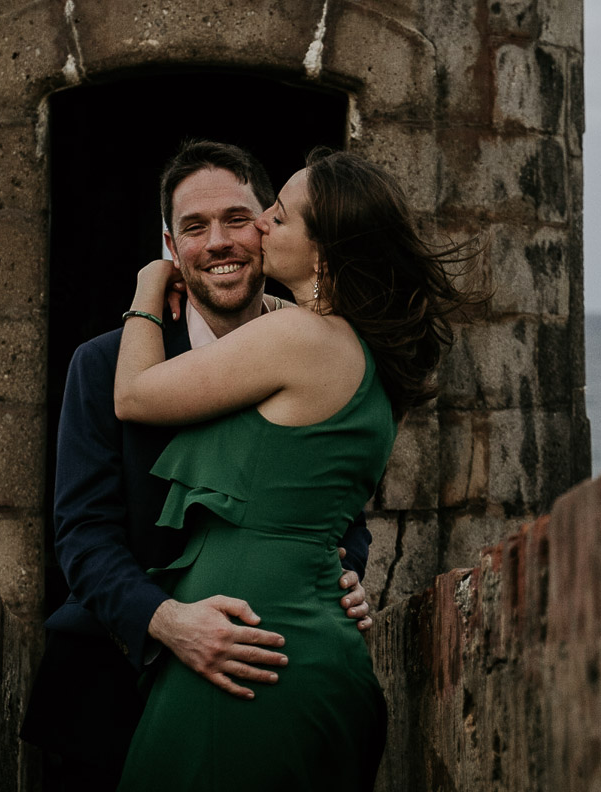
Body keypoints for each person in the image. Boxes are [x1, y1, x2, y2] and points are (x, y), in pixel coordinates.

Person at [112, 148, 472, 792]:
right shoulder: (344, 344)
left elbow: (134, 394)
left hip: (257, 659)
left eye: (275, 217)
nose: (259, 229)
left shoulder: (299, 340)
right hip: (282, 639)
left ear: (322, 251)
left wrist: (146, 286)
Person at [22, 140, 374, 791]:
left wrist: (344, 569)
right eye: (194, 226)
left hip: (271, 686)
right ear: (170, 247)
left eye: (237, 219)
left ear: (267, 227)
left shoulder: (320, 347)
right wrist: (169, 622)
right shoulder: (102, 367)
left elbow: (339, 508)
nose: (219, 241)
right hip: (111, 698)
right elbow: (82, 534)